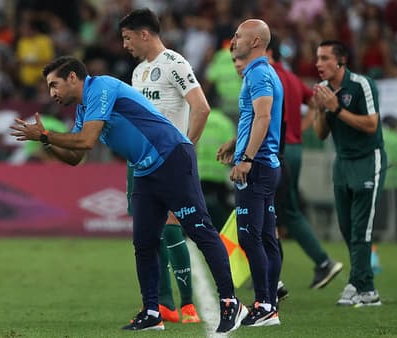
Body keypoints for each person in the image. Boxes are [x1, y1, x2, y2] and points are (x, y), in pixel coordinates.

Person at [10, 56, 248, 333]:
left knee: (201, 231)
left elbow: (86, 140)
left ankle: (231, 302)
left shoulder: (102, 87)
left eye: (55, 85)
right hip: (144, 170)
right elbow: (76, 158)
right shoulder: (83, 109)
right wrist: (44, 140)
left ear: (73, 77)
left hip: (171, 157)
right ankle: (151, 311)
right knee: (144, 242)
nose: (52, 93)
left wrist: (47, 136)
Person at [118, 8, 209, 324]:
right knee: (148, 235)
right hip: (140, 163)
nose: (125, 45)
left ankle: (188, 305)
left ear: (145, 34)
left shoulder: (175, 63)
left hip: (169, 162)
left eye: (128, 38)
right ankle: (163, 306)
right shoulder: (138, 73)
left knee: (172, 229)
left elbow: (201, 107)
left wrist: (185, 149)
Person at [217, 19, 283, 327]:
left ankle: (265, 304)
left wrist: (245, 158)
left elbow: (265, 115)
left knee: (250, 236)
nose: (233, 40)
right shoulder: (264, 72)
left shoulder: (257, 73)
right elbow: (256, 116)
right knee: (266, 237)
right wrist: (236, 142)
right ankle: (268, 303)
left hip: (256, 168)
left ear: (256, 41)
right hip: (265, 164)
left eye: (239, 35)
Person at [312, 40, 386, 307]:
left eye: (324, 58)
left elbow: (371, 124)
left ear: (341, 61)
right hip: (342, 163)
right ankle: (359, 283)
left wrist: (337, 108)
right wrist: (320, 111)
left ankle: (365, 289)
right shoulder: (325, 91)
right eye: (317, 59)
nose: (318, 64)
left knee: (361, 228)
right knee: (346, 226)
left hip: (367, 159)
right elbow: (321, 133)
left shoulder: (361, 85)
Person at [267, 35, 343, 292]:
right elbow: (314, 101)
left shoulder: (265, 75)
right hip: (294, 147)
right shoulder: (291, 77)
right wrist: (305, 125)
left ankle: (276, 277)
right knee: (286, 211)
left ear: (267, 51)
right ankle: (317, 263)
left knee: (276, 212)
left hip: (279, 150)